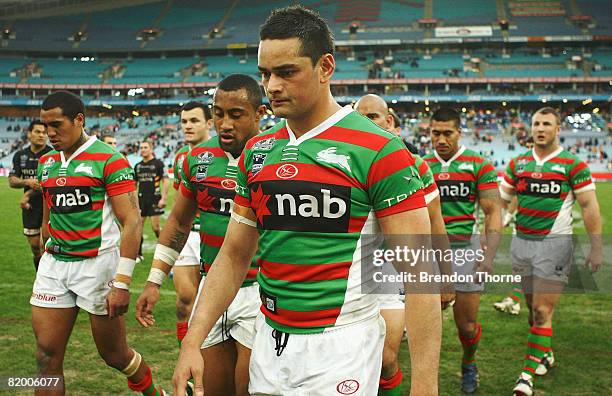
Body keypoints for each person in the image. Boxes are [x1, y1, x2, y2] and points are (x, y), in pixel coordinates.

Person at [172, 6, 441, 396]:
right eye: (265, 73)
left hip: (342, 345)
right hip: (270, 340)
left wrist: (426, 387)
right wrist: (193, 340)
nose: (271, 86)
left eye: (286, 72)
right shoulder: (258, 151)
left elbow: (420, 274)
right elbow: (232, 256)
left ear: (325, 67)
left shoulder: (381, 151)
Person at [136, 74, 266, 395]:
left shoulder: (277, 155)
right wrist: (154, 280)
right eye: (218, 113)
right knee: (211, 388)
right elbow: (179, 223)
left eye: (236, 115)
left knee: (246, 387)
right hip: (212, 288)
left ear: (259, 114)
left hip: (259, 292)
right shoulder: (199, 158)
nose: (224, 123)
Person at [31, 90, 165, 395]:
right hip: (55, 265)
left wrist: (121, 283)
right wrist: (44, 245)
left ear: (79, 120)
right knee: (46, 356)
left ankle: (154, 392)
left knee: (114, 355)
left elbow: (131, 223)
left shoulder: (109, 160)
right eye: (45, 126)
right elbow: (48, 211)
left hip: (97, 267)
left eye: (57, 125)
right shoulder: (47, 163)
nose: (50, 133)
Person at [355, 94, 453, 396]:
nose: (367, 123)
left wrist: (446, 277)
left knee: (386, 358)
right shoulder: (344, 163)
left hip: (393, 272)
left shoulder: (415, 166)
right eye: (361, 117)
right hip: (351, 273)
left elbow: (436, 224)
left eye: (373, 116)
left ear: (390, 122)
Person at [500, 107, 602, 396]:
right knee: (534, 314)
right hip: (522, 244)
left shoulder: (573, 164)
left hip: (555, 244)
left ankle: (526, 376)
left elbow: (589, 207)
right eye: (536, 123)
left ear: (558, 129)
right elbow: (503, 200)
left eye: (546, 123)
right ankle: (545, 353)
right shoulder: (517, 164)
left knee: (543, 310)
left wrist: (596, 247)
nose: (540, 128)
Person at [424, 108, 502, 394]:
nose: (441, 139)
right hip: (428, 255)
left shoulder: (478, 164)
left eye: (447, 133)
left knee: (467, 327)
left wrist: (489, 255)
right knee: (424, 324)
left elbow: (493, 212)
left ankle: (469, 363)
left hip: (465, 253)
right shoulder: (420, 165)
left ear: (460, 132)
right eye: (435, 133)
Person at [168, 101, 212, 351]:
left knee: (213, 305)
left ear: (208, 123)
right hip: (187, 237)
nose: (187, 126)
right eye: (184, 121)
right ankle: (185, 359)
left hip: (213, 237)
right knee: (185, 300)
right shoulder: (180, 158)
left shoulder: (224, 153)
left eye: (194, 121)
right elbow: (179, 203)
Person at [494, 136, 534, 315]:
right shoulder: (522, 167)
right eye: (529, 145)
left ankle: (514, 299)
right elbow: (515, 195)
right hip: (522, 225)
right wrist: (508, 216)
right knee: (520, 265)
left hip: (545, 229)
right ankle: (515, 302)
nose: (531, 149)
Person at [8, 119, 52, 271]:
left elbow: (50, 183)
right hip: (30, 208)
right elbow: (12, 181)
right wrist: (28, 182)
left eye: (44, 133)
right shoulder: (20, 155)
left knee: (45, 245)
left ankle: (50, 280)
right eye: (37, 132)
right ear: (29, 134)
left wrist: (29, 193)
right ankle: (40, 277)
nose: (41, 135)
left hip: (50, 207)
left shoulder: (52, 155)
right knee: (35, 247)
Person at [134, 139, 168, 261]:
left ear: (151, 149)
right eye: (141, 147)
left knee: (155, 227)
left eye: (145, 147)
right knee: (138, 228)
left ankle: (164, 252)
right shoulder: (137, 166)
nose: (143, 150)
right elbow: (134, 185)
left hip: (155, 199)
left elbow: (166, 180)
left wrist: (163, 198)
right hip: (141, 200)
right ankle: (138, 254)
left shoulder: (158, 163)